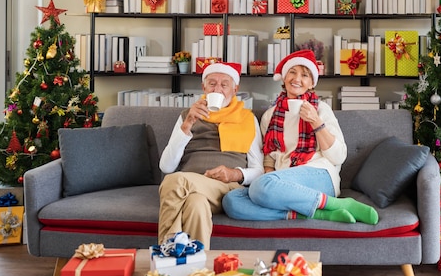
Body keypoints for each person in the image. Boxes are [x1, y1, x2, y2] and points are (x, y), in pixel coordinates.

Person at [222, 50, 378, 225]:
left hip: (319, 173)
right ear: (284, 77)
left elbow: (339, 156)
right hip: (283, 179)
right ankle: (319, 214)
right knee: (232, 200)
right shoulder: (270, 115)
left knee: (259, 187)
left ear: (311, 83)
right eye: (292, 72)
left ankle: (337, 203)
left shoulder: (320, 109)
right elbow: (268, 157)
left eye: (304, 75)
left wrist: (316, 122)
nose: (297, 79)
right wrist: (271, 187)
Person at [158, 62, 263, 248]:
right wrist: (188, 123)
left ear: (235, 89)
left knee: (174, 181)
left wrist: (235, 174)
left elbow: (259, 170)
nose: (218, 89)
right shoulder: (187, 115)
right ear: (204, 87)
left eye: (224, 85)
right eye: (212, 83)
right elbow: (166, 166)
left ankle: (165, 252)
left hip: (225, 187)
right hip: (190, 188)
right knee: (195, 204)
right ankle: (198, 269)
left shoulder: (248, 118)